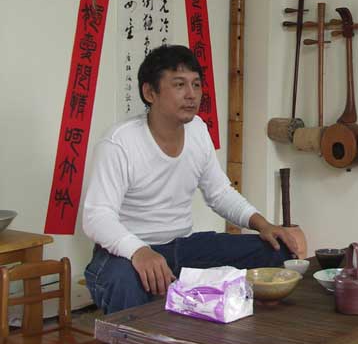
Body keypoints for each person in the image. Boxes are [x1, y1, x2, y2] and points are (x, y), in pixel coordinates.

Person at [83, 45, 298, 314]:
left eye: (196, 84)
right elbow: (97, 217)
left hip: (182, 248)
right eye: (179, 85)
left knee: (276, 251)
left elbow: (219, 193)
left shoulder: (197, 130)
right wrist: (139, 251)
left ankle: (249, 337)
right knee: (123, 280)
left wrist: (263, 224)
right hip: (125, 254)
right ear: (149, 92)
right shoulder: (120, 143)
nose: (191, 94)